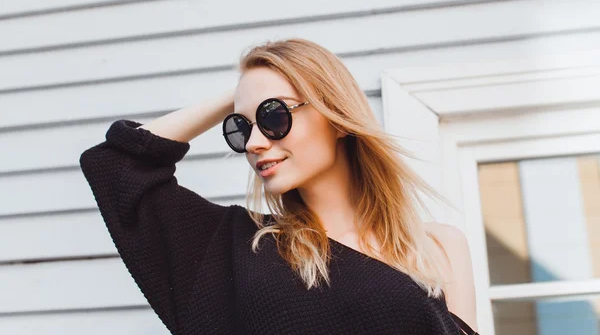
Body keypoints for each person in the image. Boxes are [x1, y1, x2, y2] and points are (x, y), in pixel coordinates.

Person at [79, 38, 479, 335]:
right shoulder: (240, 248)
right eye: (241, 127)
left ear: (336, 117)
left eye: (273, 116)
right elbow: (116, 164)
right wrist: (241, 95)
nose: (254, 142)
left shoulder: (439, 247)